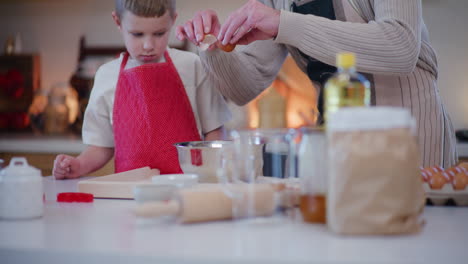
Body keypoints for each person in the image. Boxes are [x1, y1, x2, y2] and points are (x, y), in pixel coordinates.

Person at [176, 0, 458, 168]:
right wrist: (211, 46)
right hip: (338, 148)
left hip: (410, 143)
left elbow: (401, 46)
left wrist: (285, 24)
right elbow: (243, 87)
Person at [53, 0, 231, 179]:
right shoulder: (106, 76)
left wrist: (211, 172)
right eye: (137, 34)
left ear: (173, 20)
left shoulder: (192, 65)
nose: (148, 45)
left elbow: (214, 130)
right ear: (118, 22)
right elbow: (101, 146)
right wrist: (78, 165)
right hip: (129, 194)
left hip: (187, 189)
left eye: (159, 33)